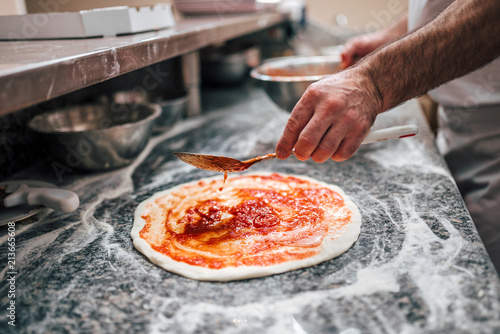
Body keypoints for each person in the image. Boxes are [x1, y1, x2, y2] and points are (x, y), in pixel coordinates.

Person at [275, 0, 500, 274]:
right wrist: (390, 36)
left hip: (493, 122)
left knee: (484, 272)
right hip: (461, 115)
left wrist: (371, 82)